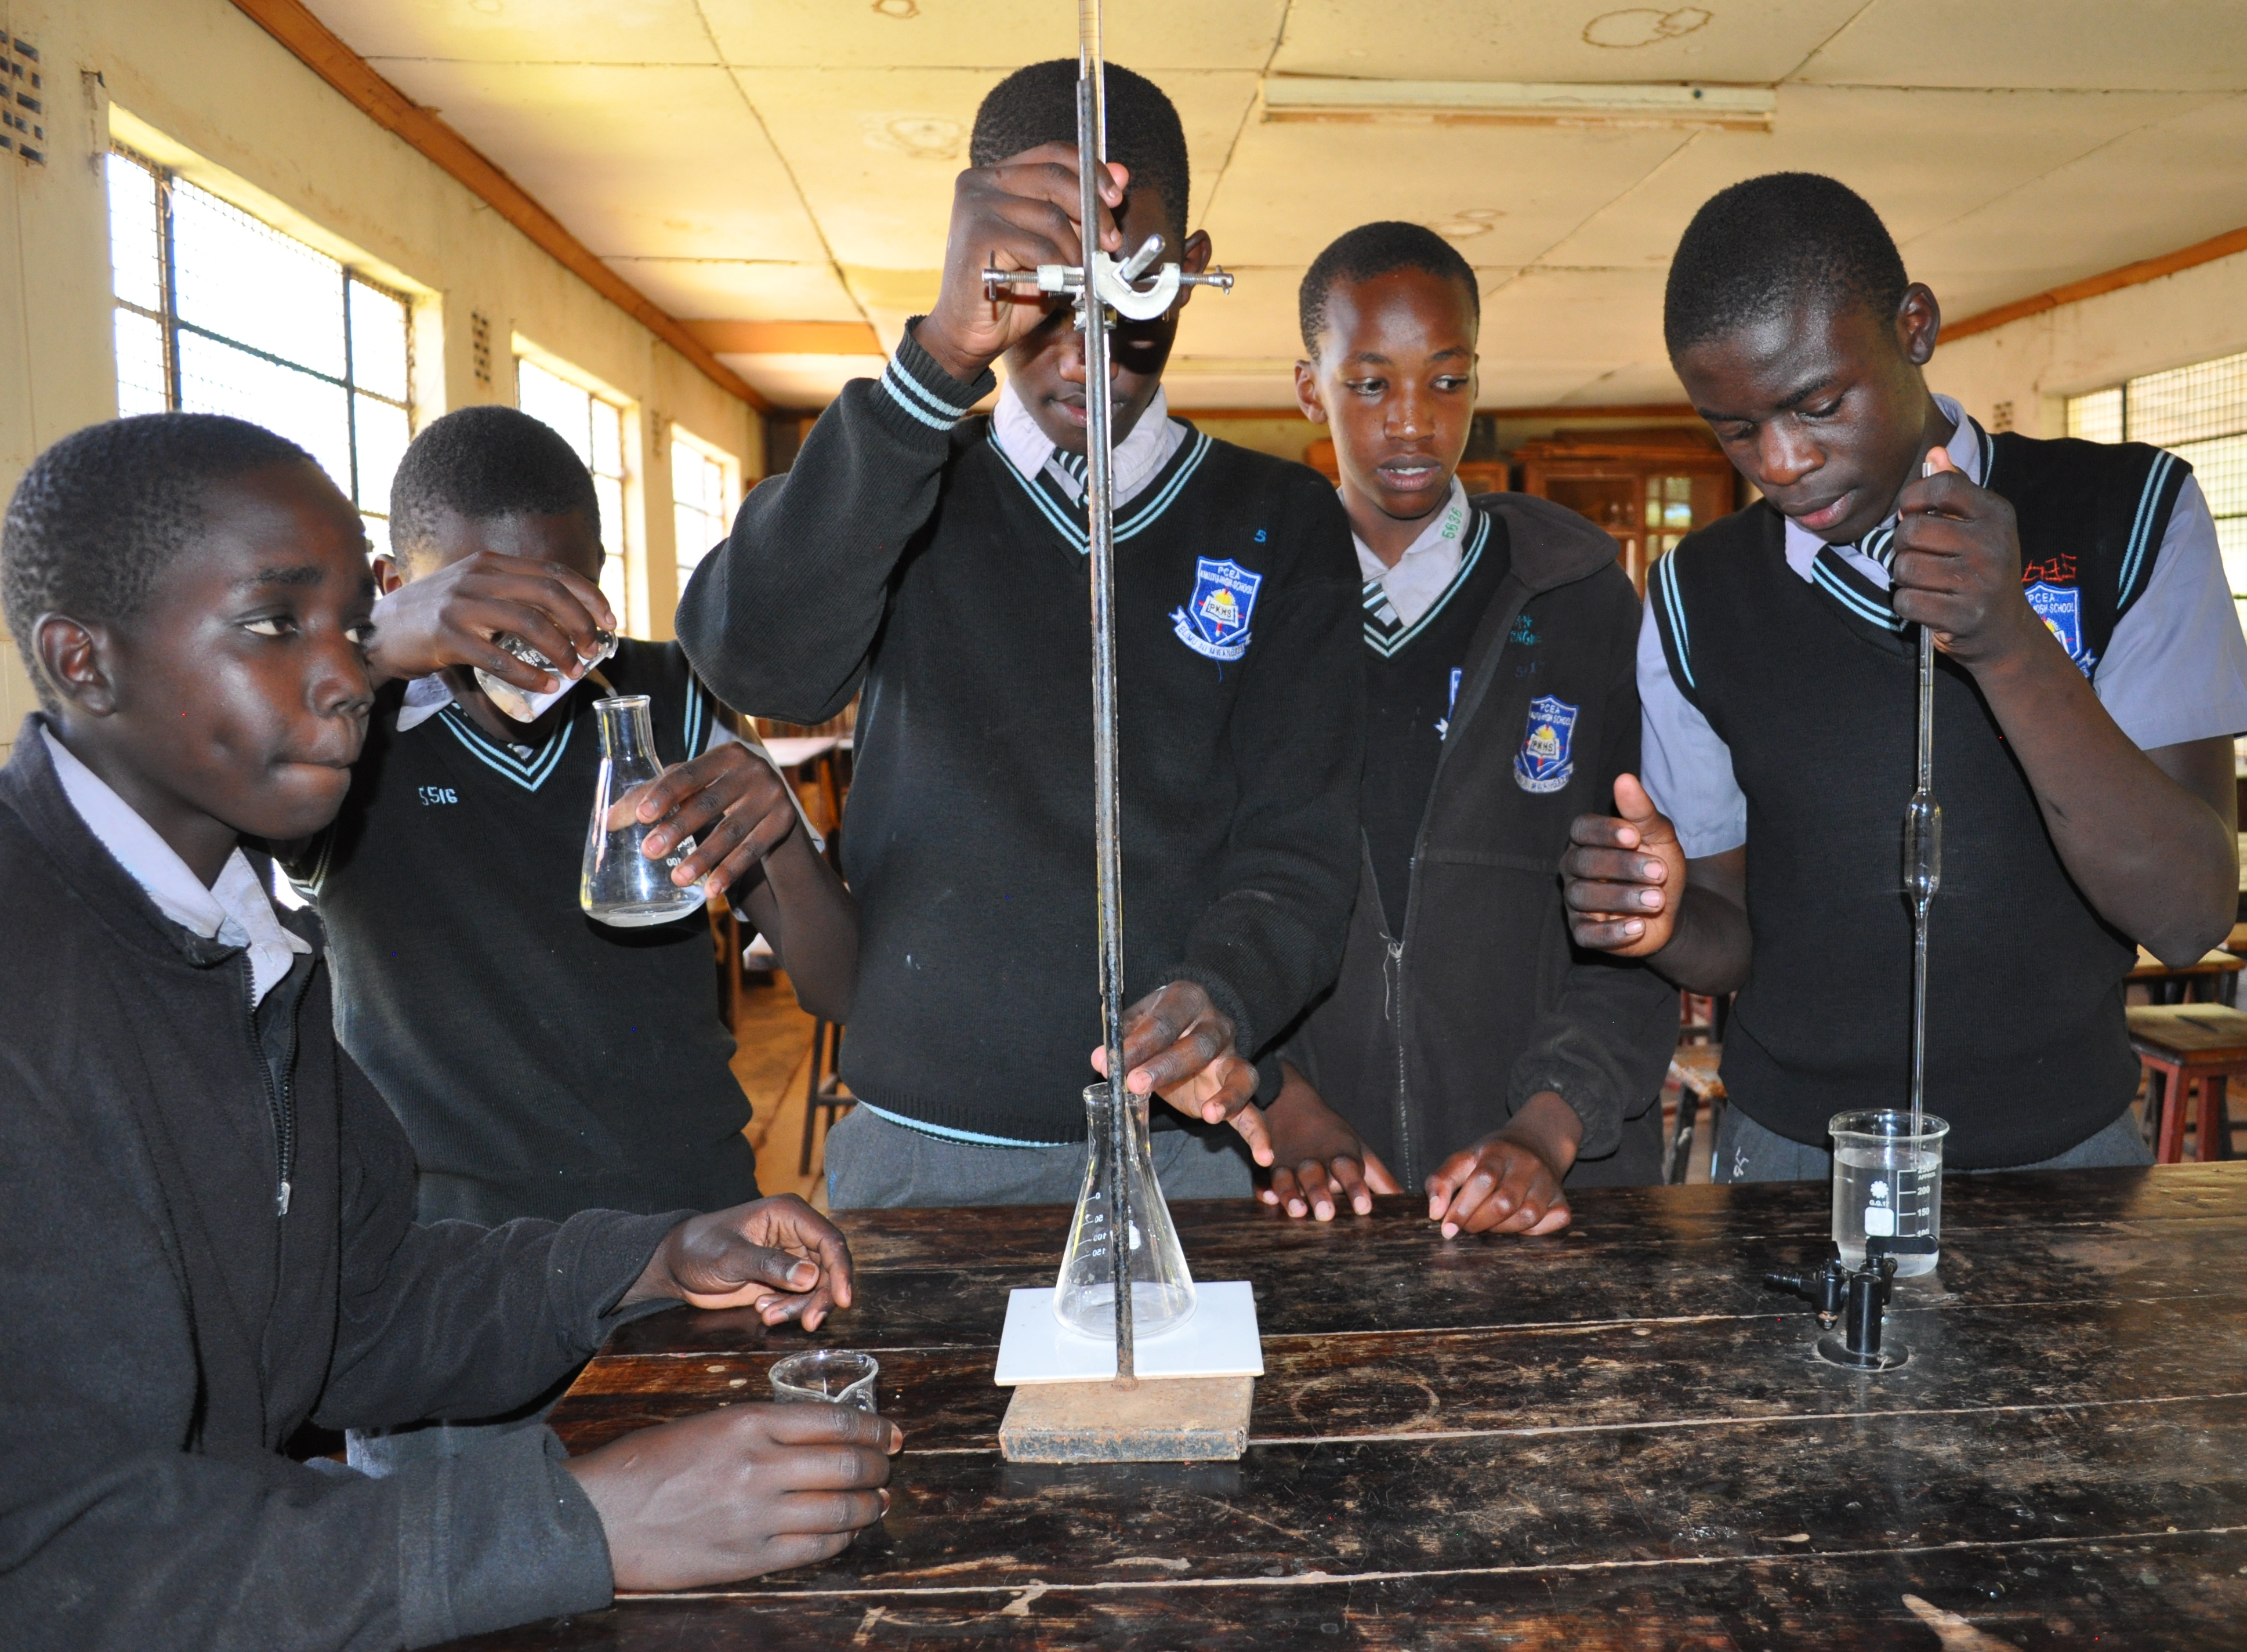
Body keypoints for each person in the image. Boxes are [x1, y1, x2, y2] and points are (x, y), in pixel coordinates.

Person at [0, 414, 894, 1650]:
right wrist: (578, 1520)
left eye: (346, 632)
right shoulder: (55, 979)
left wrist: (649, 1257)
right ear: (82, 662)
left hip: (592, 1243)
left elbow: (354, 1310)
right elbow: (67, 1559)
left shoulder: (243, 947)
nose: (341, 674)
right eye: (279, 623)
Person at [672, 60, 1364, 1207]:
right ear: (977, 268)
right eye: (1042, 290)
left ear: (1190, 269)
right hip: (921, 1148)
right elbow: (761, 664)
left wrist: (1226, 992)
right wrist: (937, 360)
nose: (1083, 343)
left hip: (1178, 1144)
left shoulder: (1278, 518)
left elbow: (1302, 842)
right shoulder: (900, 475)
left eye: (1129, 288)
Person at [1561, 173, 2247, 1181]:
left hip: (2066, 1155)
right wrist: (1663, 923)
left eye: (1819, 405)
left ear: (1915, 326)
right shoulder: (1696, 595)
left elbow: (2190, 914)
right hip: (1793, 1156)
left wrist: (2011, 644)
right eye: (1735, 429)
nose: (1783, 460)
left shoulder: (2131, 514)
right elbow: (1734, 931)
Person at [287, 404, 856, 1229]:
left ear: (599, 573)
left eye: (561, 596)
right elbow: (191, 760)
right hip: (453, 1248)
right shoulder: (332, 738)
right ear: (399, 589)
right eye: (488, 602)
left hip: (690, 1218)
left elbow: (840, 989)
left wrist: (785, 842)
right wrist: (366, 648)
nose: (531, 639)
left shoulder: (678, 697)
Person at [1251, 222, 1676, 1237]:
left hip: (1549, 1185)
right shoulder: (1251, 612)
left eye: (1447, 381)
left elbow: (1639, 923)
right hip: (1309, 1189)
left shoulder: (1580, 600)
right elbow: (1190, 896)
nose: (1413, 421)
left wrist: (1549, 1126)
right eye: (1370, 384)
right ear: (1310, 390)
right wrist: (1278, 1096)